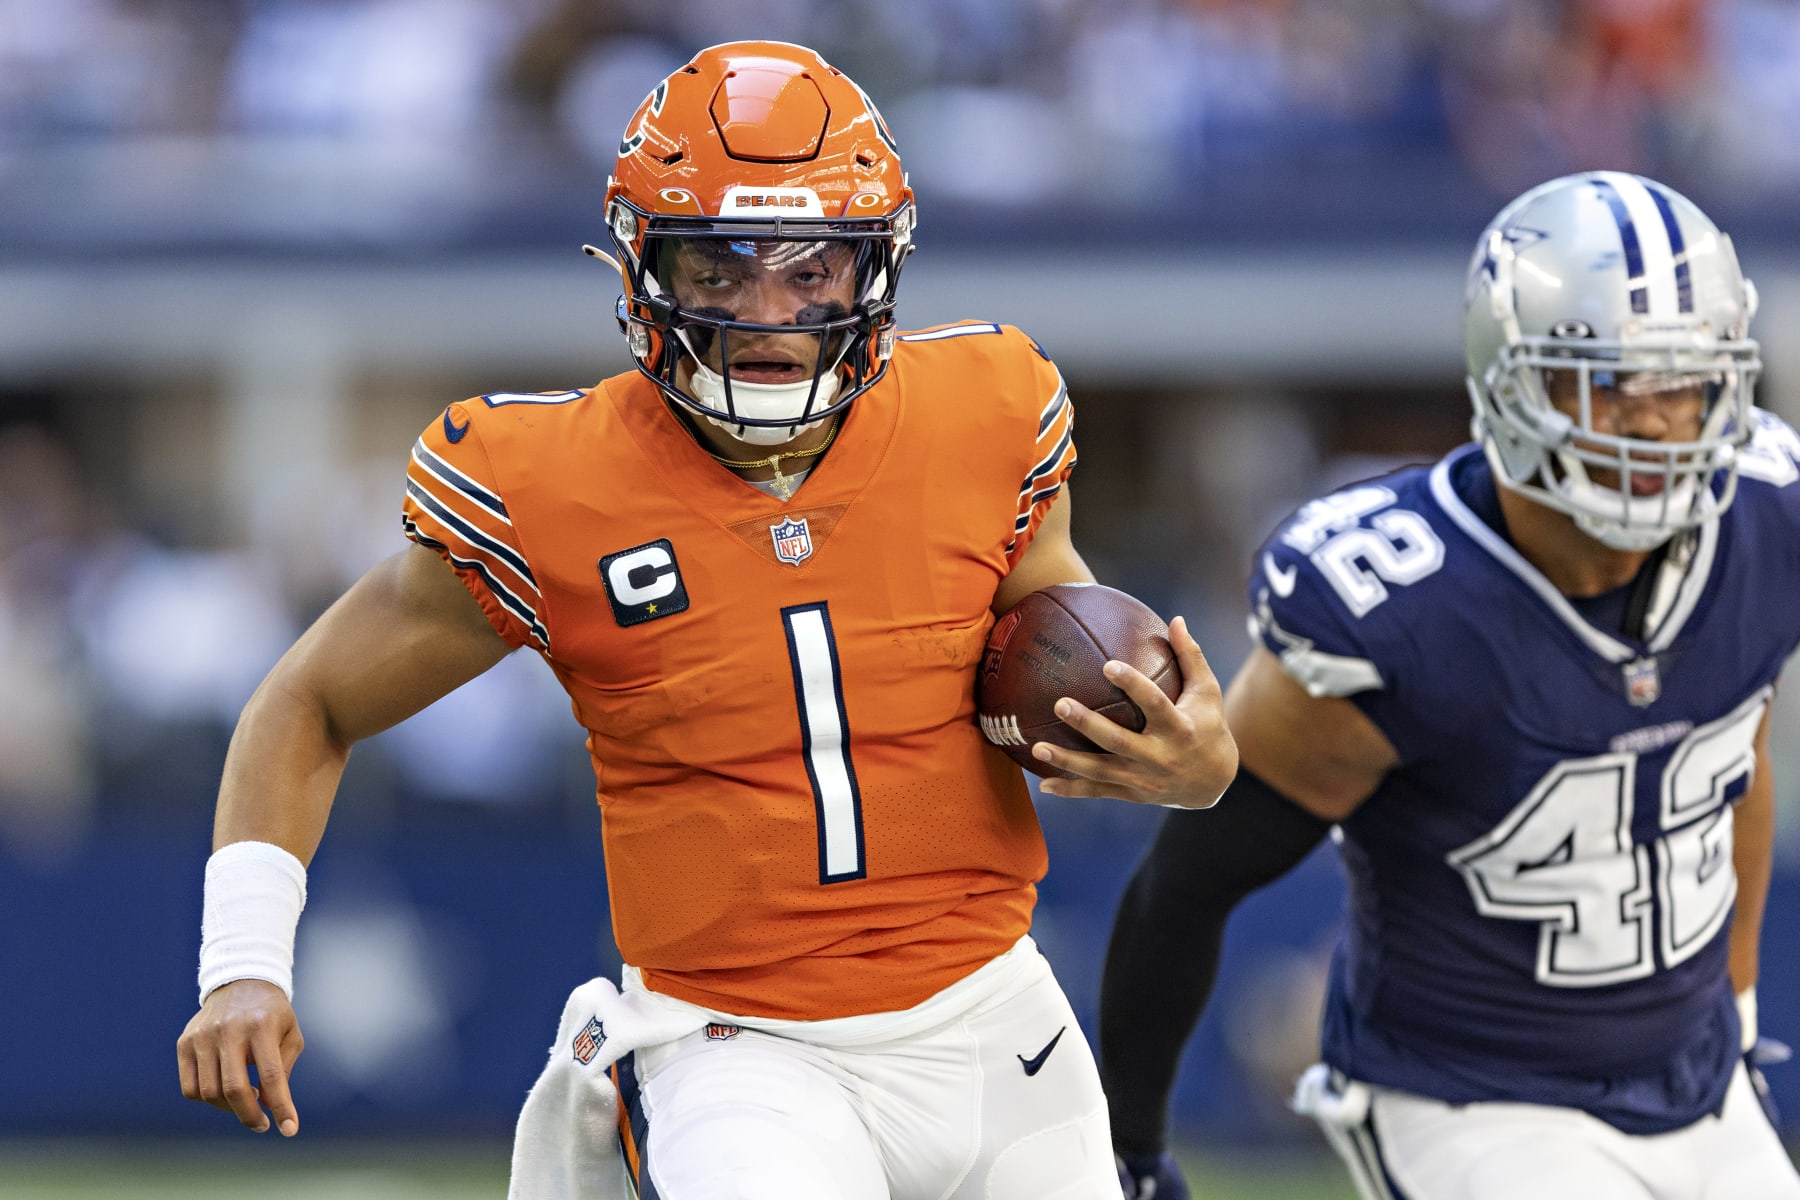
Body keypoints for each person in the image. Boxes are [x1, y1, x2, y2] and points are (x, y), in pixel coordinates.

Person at [174, 40, 1237, 1200]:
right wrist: (242, 963)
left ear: (876, 268)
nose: (767, 317)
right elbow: (310, 699)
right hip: (742, 1048)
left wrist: (1195, 755)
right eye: (718, 273)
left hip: (996, 1018)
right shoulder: (548, 484)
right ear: (641, 269)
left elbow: (1065, 644)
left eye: (809, 269)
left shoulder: (989, 412)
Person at [1100, 170, 1800, 1200]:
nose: (1654, 424)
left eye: (1683, 381)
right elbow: (1189, 883)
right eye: (1609, 381)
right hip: (1473, 1097)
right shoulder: (1403, 609)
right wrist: (1135, 1145)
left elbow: (1734, 762)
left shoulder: (1764, 519)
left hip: (1694, 1076)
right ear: (1512, 382)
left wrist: (1737, 1016)